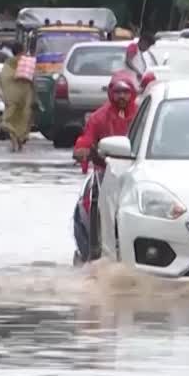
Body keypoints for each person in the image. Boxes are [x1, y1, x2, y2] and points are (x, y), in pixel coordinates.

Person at [71, 72, 141, 264]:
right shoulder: (98, 117)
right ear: (111, 93)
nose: (121, 97)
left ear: (132, 93)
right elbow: (87, 138)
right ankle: (98, 250)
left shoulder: (142, 114)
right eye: (117, 92)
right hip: (106, 173)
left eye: (125, 92)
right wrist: (82, 149)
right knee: (97, 203)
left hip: (139, 172)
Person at [0, 42, 33, 152]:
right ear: (22, 50)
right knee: (22, 119)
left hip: (12, 95)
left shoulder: (8, 62)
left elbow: (3, 78)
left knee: (11, 119)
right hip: (25, 94)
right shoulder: (27, 61)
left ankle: (13, 143)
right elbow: (32, 78)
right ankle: (20, 140)